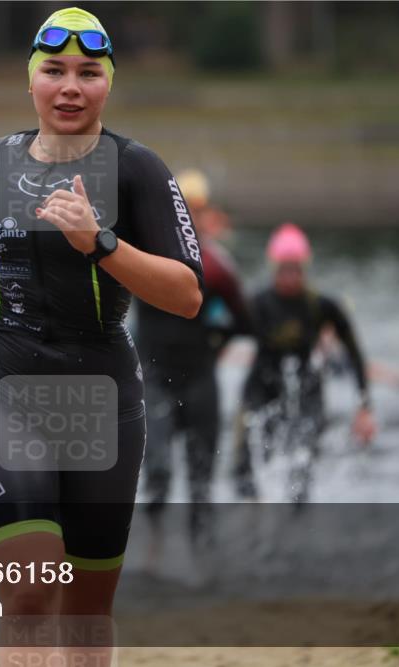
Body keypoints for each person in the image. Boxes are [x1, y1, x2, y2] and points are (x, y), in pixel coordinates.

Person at [0, 7, 203, 664]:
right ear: (31, 82)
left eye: (88, 72)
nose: (70, 86)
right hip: (4, 384)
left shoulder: (138, 169)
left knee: (84, 610)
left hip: (102, 396)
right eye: (54, 71)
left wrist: (100, 242)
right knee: (27, 591)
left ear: (109, 83)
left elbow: (187, 294)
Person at [136, 170, 251, 545]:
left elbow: (245, 321)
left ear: (205, 215)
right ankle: (153, 553)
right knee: (159, 470)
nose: (187, 217)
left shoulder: (217, 267)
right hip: (155, 378)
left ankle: (202, 563)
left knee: (201, 480)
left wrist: (217, 346)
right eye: (179, 208)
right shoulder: (142, 256)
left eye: (195, 210)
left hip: (201, 378)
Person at [231, 223, 377, 503]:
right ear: (273, 268)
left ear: (305, 268)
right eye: (283, 269)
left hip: (307, 391)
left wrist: (365, 407)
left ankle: (297, 524)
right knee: (248, 468)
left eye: (295, 269)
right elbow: (221, 336)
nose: (289, 277)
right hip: (263, 390)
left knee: (302, 468)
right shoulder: (256, 304)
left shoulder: (321, 306)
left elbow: (355, 353)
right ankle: (254, 523)